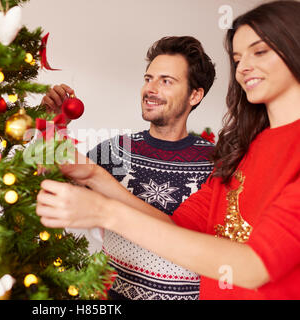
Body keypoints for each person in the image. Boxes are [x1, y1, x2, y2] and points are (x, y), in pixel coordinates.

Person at [36, 0, 300, 300]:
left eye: (260, 51)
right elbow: (176, 225)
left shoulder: (214, 157)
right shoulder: (241, 152)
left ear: (195, 95)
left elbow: (254, 266)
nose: (243, 68)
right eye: (237, 58)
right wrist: (91, 171)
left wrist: (106, 212)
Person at [41, 36, 216, 300]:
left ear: (195, 94)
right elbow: (48, 188)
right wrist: (52, 125)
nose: (151, 89)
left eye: (166, 81)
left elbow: (199, 242)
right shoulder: (116, 150)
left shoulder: (215, 163)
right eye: (148, 79)